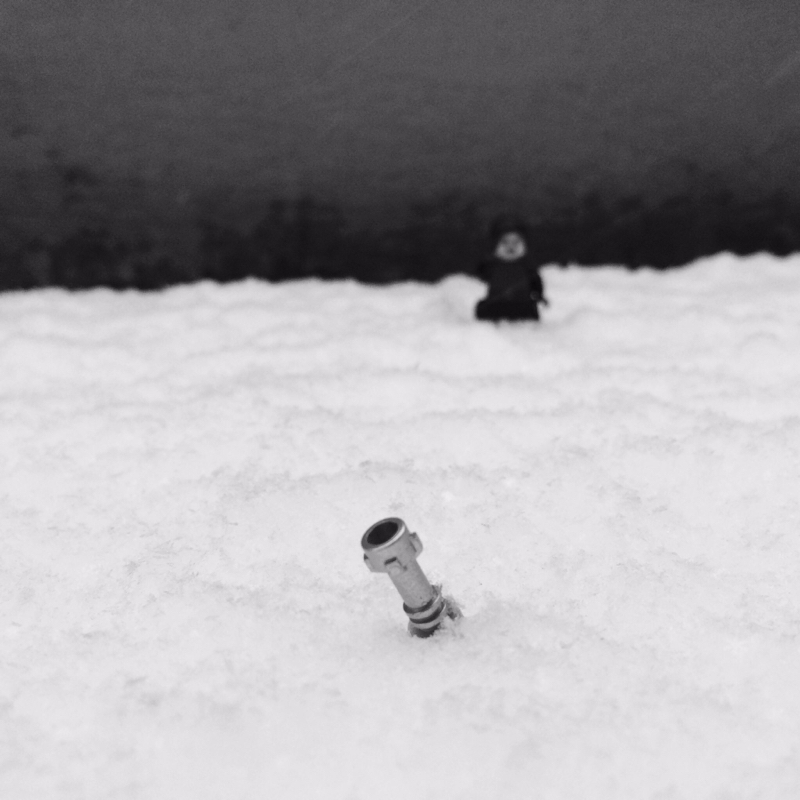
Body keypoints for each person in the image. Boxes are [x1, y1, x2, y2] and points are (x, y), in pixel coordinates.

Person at [475, 214, 548, 322]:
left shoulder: (526, 266)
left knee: (530, 309)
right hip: (497, 303)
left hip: (522, 303)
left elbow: (535, 282)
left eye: (516, 242)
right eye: (505, 242)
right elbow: (481, 274)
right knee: (483, 307)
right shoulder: (493, 265)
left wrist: (538, 295)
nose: (510, 247)